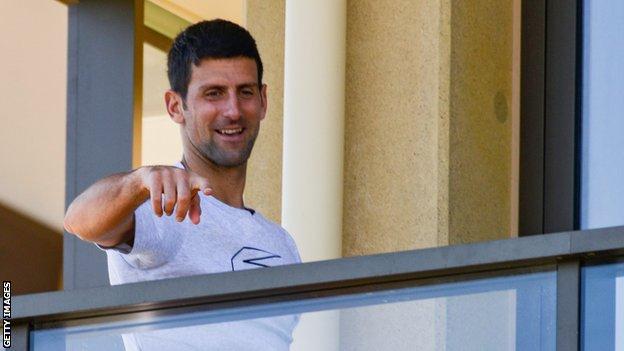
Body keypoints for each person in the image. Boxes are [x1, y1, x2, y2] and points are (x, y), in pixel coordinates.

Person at [63, 19, 300, 350]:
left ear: (262, 100)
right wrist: (138, 182)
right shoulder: (163, 204)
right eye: (213, 94)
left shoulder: (282, 245)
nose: (233, 110)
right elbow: (78, 219)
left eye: (245, 92)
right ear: (176, 106)